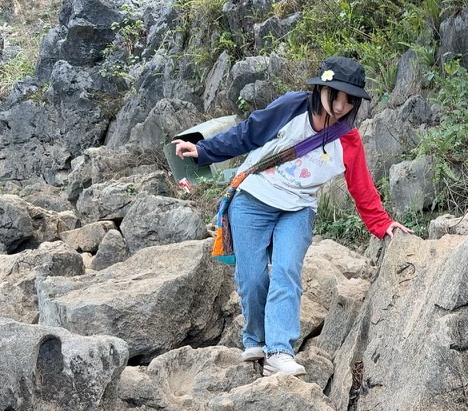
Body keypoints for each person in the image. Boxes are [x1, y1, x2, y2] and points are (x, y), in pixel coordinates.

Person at [172, 56, 413, 377]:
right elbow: (248, 133)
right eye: (335, 96)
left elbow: (362, 187)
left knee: (286, 271)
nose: (340, 106)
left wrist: (382, 224)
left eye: (348, 100)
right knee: (252, 278)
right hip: (253, 198)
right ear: (320, 89)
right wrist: (204, 150)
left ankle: (279, 351)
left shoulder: (348, 139)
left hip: (298, 209)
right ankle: (255, 339)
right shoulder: (292, 107)